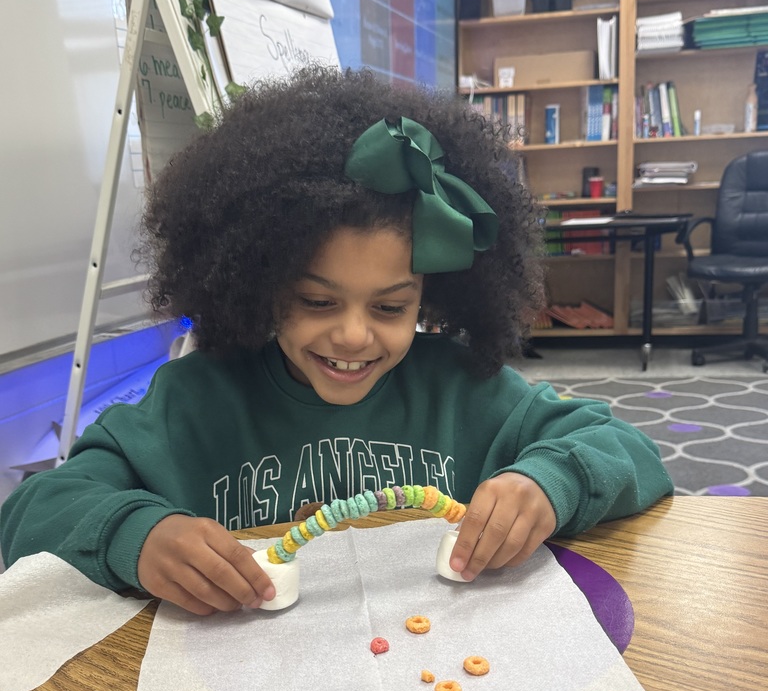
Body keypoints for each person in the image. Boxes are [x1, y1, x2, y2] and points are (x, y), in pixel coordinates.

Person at [0, 65, 673, 615]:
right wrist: (134, 536)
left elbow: (632, 452)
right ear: (259, 282)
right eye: (317, 300)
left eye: (390, 305)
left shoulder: (465, 391)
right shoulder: (193, 402)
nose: (353, 335)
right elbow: (31, 513)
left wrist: (548, 482)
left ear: (431, 294)